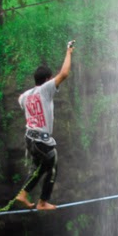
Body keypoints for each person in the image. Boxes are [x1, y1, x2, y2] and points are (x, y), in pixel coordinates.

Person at [15, 40, 74, 211]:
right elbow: (63, 73)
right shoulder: (46, 89)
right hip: (40, 138)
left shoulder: (25, 96)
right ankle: (42, 202)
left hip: (29, 138)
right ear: (48, 80)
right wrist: (69, 52)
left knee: (41, 167)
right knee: (53, 160)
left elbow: (19, 100)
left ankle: (23, 194)